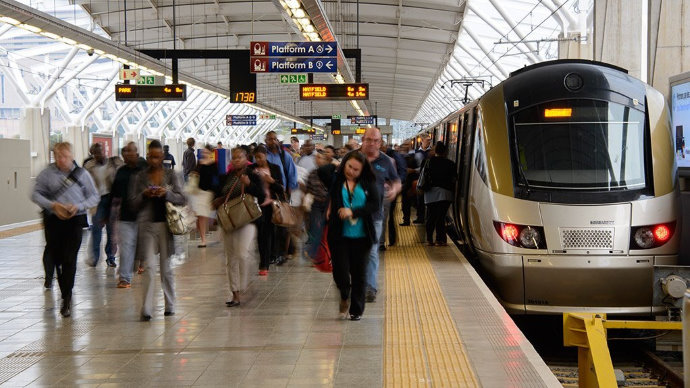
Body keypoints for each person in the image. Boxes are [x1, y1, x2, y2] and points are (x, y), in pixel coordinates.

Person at [32, 142, 99, 317]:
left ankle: (66, 296)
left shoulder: (82, 174)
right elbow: (35, 194)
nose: (62, 160)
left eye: (65, 157)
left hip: (75, 220)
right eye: (58, 157)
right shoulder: (47, 174)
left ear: (72, 156)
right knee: (56, 258)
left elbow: (94, 196)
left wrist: (79, 206)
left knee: (70, 258)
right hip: (53, 220)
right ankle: (63, 288)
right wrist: (52, 205)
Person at [129, 140, 186, 321]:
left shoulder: (171, 175)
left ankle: (170, 304)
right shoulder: (140, 177)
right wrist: (144, 195)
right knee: (148, 267)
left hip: (166, 225)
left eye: (157, 156)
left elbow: (182, 198)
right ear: (147, 157)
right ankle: (146, 308)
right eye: (151, 156)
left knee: (166, 268)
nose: (154, 160)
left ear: (162, 156)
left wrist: (166, 193)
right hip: (146, 225)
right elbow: (132, 202)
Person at [327, 151, 380, 321]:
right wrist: (334, 163)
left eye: (356, 169)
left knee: (359, 274)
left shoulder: (368, 182)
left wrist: (353, 211)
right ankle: (344, 295)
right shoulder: (337, 180)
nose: (351, 171)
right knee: (340, 273)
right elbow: (321, 172)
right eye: (349, 166)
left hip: (362, 236)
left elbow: (375, 205)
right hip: (339, 235)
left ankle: (356, 310)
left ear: (362, 171)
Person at [212, 147, 265, 307]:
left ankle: (244, 286)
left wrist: (249, 185)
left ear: (246, 158)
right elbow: (218, 194)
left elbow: (261, 196)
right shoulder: (226, 177)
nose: (236, 160)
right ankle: (235, 293)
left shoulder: (253, 175)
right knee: (231, 259)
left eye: (239, 157)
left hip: (247, 220)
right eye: (233, 158)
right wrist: (217, 200)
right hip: (229, 221)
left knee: (242, 254)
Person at [360, 128, 401, 303]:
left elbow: (396, 180)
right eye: (369, 140)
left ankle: (370, 287)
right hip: (352, 213)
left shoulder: (385, 161)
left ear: (380, 142)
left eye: (376, 141)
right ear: (363, 139)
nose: (372, 144)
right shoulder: (352, 158)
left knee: (372, 251)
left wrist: (394, 189)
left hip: (375, 214)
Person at [110, 142, 145, 288]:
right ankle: (125, 278)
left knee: (142, 246)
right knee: (126, 246)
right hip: (126, 216)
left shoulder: (144, 168)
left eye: (130, 152)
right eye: (125, 152)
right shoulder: (121, 172)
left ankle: (140, 264)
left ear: (136, 153)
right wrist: (110, 213)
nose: (128, 155)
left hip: (144, 215)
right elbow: (115, 194)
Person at [84, 143, 121, 268]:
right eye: (96, 153)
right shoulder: (89, 166)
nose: (100, 154)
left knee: (111, 230)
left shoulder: (112, 163)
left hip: (111, 199)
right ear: (93, 154)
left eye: (101, 151)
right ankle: (95, 257)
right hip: (97, 201)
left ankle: (111, 257)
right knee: (96, 229)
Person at [248, 145, 284, 275]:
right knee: (260, 234)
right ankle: (265, 260)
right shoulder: (251, 170)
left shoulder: (274, 168)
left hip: (271, 205)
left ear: (266, 156)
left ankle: (265, 262)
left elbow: (281, 188)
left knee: (267, 233)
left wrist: (271, 181)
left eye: (260, 157)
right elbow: (248, 188)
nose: (258, 160)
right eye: (256, 157)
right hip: (256, 205)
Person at [265, 131, 298, 265]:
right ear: (266, 141)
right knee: (268, 225)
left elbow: (292, 174)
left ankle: (281, 253)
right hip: (266, 195)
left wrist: (288, 192)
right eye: (269, 139)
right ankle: (271, 253)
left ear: (278, 140)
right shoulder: (262, 156)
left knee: (281, 224)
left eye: (274, 139)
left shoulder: (285, 156)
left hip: (281, 194)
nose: (272, 141)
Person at [423, 142, 456, 246]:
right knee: (441, 217)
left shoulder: (428, 162)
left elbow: (422, 176)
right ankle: (440, 239)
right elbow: (454, 178)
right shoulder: (450, 163)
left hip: (430, 193)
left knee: (431, 216)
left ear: (435, 151)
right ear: (445, 152)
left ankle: (429, 239)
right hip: (445, 194)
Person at [191, 145, 218, 248]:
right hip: (198, 192)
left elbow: (215, 180)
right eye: (203, 152)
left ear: (211, 153)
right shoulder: (199, 163)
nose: (204, 154)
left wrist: (215, 194)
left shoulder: (213, 164)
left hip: (207, 193)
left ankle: (203, 239)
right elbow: (195, 174)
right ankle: (202, 237)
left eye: (206, 152)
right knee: (199, 216)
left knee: (203, 216)